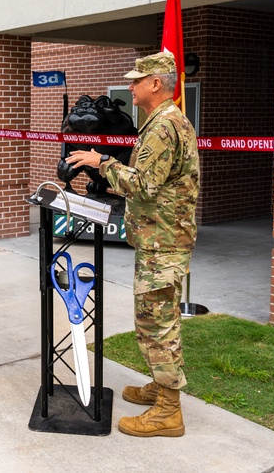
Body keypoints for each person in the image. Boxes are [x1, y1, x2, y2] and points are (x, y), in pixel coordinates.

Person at [67, 51, 199, 438]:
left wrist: (102, 161)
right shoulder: (163, 122)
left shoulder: (162, 127)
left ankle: (168, 412)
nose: (131, 86)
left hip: (164, 243)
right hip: (159, 239)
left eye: (137, 80)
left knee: (157, 325)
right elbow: (149, 179)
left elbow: (144, 183)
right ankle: (161, 388)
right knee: (153, 320)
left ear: (155, 83)